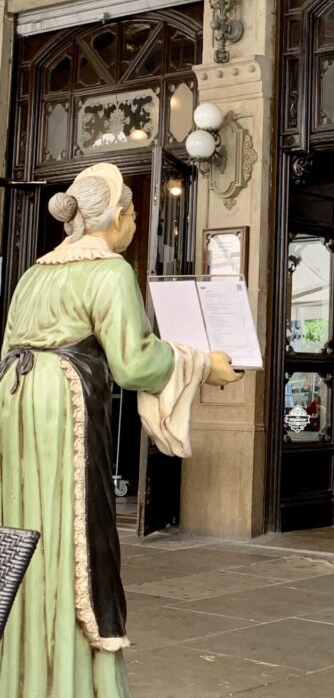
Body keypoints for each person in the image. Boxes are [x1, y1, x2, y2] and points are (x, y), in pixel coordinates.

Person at [0, 163, 237, 698]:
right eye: (133, 215)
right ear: (119, 217)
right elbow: (133, 363)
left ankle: (23, 673)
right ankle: (75, 683)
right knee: (81, 532)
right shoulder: (109, 271)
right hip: (65, 409)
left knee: (23, 529)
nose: (135, 225)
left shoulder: (34, 273)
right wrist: (202, 364)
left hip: (15, 407)